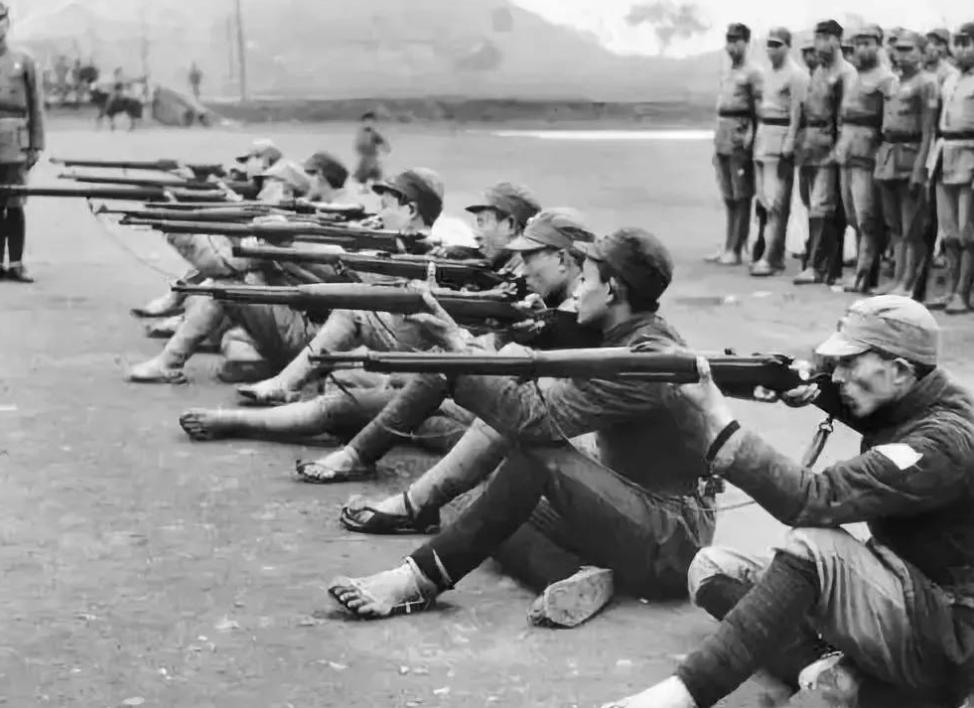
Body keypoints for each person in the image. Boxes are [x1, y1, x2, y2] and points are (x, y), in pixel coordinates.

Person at [327, 228, 717, 630]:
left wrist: (458, 349)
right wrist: (461, 343)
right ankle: (576, 576)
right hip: (639, 513)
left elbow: (535, 418)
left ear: (613, 290)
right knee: (486, 504)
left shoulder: (641, 359)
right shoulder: (633, 338)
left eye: (586, 280)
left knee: (535, 458)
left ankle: (418, 580)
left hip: (671, 540)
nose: (577, 291)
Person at [600, 295, 974, 708]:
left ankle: (682, 695)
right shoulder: (912, 398)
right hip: (905, 601)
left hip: (949, 637)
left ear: (900, 371)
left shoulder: (943, 443)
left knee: (815, 547)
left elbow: (816, 498)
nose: (838, 376)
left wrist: (719, 420)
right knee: (710, 569)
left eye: (850, 365)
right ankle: (830, 676)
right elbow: (875, 409)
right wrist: (804, 390)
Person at [289, 207, 596, 484]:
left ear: (562, 259)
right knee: (394, 408)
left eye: (530, 258)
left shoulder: (577, 318)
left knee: (418, 383)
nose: (524, 270)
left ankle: (357, 456)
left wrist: (459, 338)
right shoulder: (557, 309)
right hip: (517, 423)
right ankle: (351, 449)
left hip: (542, 434)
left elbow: (515, 378)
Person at [233, 180, 537, 407]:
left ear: (510, 224)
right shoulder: (492, 262)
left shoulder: (525, 275)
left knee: (353, 340)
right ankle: (290, 382)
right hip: (451, 353)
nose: (477, 233)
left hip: (473, 367)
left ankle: (289, 384)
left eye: (483, 222)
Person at [124, 153, 359, 385]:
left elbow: (220, 264)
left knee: (222, 291)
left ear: (287, 192)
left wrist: (174, 226)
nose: (263, 190)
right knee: (232, 331)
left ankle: (168, 363)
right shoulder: (294, 225)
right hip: (311, 331)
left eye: (270, 185)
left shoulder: (296, 231)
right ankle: (180, 351)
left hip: (312, 335)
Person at [870, 31, 938, 297]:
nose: (902, 54)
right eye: (898, 49)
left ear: (921, 52)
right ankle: (898, 277)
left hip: (911, 156)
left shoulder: (927, 83)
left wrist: (921, 168)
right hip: (889, 155)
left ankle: (910, 282)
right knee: (895, 224)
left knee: (912, 226)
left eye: (909, 49)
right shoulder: (893, 82)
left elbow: (928, 131)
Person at [793, 20, 857, 286]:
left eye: (822, 39)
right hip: (810, 144)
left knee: (823, 205)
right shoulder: (818, 70)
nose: (818, 45)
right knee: (812, 204)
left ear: (835, 40)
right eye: (816, 39)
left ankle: (817, 265)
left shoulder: (845, 73)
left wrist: (838, 150)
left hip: (830, 147)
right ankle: (822, 262)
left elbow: (844, 117)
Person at [835, 25, 897, 293]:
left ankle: (866, 272)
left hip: (869, 154)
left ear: (879, 44)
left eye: (868, 42)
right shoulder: (851, 76)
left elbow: (889, 123)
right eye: (858, 43)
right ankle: (863, 268)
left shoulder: (886, 80)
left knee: (867, 217)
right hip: (847, 152)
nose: (862, 48)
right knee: (851, 215)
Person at [750, 27, 808, 277]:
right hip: (764, 136)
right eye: (769, 44)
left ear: (787, 46)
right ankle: (765, 249)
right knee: (763, 200)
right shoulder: (766, 74)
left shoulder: (796, 75)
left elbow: (797, 112)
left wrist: (790, 140)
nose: (772, 49)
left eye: (777, 44)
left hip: (782, 136)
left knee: (778, 203)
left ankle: (772, 256)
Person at [926, 23, 974, 314]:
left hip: (970, 156)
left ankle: (963, 292)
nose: (960, 49)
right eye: (957, 43)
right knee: (950, 232)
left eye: (967, 43)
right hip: (945, 154)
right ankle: (951, 288)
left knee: (969, 232)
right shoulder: (950, 79)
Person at [706, 23, 762, 266]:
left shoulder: (753, 73)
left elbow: (758, 110)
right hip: (723, 137)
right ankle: (728, 245)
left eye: (737, 40)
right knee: (728, 195)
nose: (732, 45)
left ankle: (737, 248)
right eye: (729, 40)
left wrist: (753, 134)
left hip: (741, 136)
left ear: (746, 43)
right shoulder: (727, 72)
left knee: (741, 196)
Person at [0, 2, 45, 283]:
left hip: (16, 143)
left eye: (0, 19)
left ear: (7, 23)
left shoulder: (23, 61)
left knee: (15, 204)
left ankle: (16, 263)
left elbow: (35, 105)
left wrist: (36, 143)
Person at [353, 111, 389, 189]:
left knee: (375, 171)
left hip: (372, 156)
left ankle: (376, 185)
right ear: (363, 122)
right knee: (364, 171)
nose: (370, 124)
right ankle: (363, 187)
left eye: (372, 122)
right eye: (367, 121)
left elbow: (380, 141)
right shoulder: (361, 132)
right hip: (366, 156)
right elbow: (359, 145)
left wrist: (385, 148)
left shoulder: (373, 133)